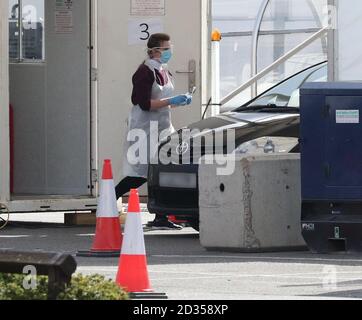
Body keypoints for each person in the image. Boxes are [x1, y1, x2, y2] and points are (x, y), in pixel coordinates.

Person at [115, 33, 192, 230]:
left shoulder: (164, 70)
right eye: (166, 49)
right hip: (145, 128)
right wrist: (170, 101)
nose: (170, 52)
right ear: (155, 50)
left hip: (163, 127)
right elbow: (144, 103)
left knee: (164, 169)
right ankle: (107, 202)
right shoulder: (144, 71)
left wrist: (178, 102)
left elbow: (163, 102)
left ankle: (161, 216)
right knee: (140, 173)